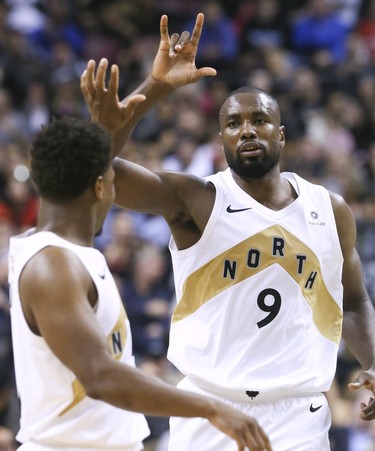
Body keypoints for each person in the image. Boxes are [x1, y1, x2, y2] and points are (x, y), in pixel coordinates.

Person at [81, 10, 375, 451]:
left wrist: (373, 361)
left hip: (299, 412)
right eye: (233, 124)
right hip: (208, 407)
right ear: (221, 141)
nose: (247, 130)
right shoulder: (196, 199)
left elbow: (353, 301)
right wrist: (156, 87)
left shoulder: (329, 210)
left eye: (259, 119)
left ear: (281, 132)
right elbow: (95, 171)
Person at [7, 15, 272, 451]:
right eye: (110, 178)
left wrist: (156, 86)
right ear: (98, 187)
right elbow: (100, 376)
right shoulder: (52, 267)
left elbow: (91, 156)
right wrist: (210, 407)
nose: (115, 185)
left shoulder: (58, 253)